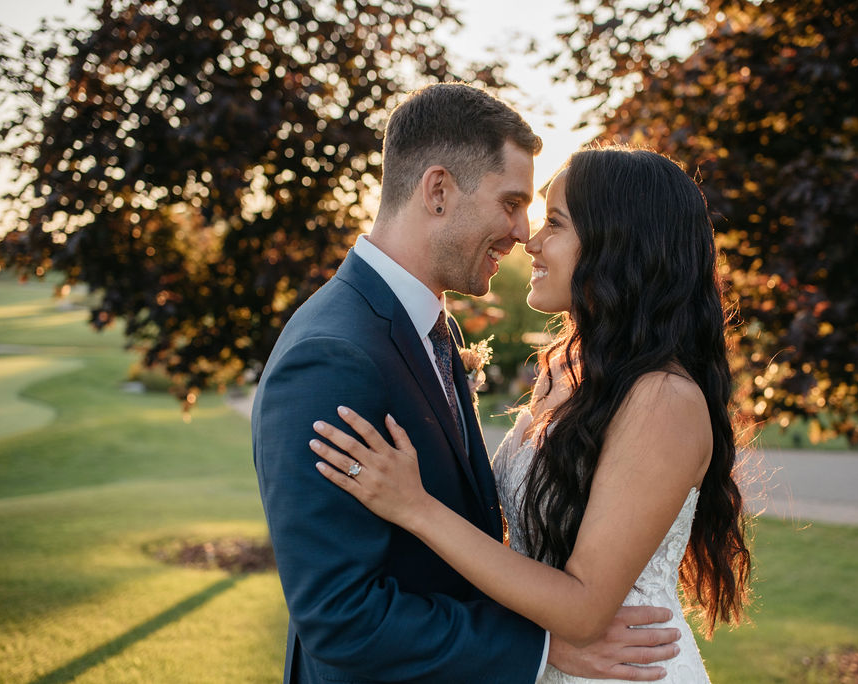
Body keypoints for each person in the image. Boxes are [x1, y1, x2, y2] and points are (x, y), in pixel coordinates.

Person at [253, 86, 681, 684]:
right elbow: (340, 618)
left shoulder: (429, 327)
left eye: (540, 214)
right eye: (511, 203)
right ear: (437, 191)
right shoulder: (335, 354)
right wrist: (540, 648)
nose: (521, 233)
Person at [309, 147, 752, 683]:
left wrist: (415, 507)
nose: (531, 240)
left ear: (618, 246)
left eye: (555, 224)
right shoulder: (564, 371)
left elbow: (585, 610)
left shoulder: (664, 400)